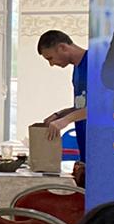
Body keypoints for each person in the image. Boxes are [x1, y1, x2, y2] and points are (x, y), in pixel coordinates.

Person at [38, 30, 88, 186]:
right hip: (85, 147)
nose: (52, 64)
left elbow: (101, 107)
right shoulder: (77, 69)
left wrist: (65, 121)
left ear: (62, 47)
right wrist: (58, 115)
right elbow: (82, 107)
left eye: (50, 58)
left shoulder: (96, 63)